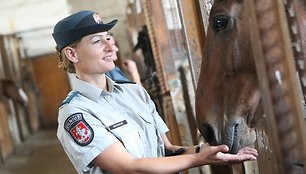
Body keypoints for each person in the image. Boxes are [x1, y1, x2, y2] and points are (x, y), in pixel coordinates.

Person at [52, 10, 258, 174]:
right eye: (97, 41)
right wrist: (198, 159)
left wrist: (203, 151)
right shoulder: (75, 113)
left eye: (108, 38)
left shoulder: (135, 93)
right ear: (72, 54)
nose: (109, 46)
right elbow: (129, 167)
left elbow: (166, 150)